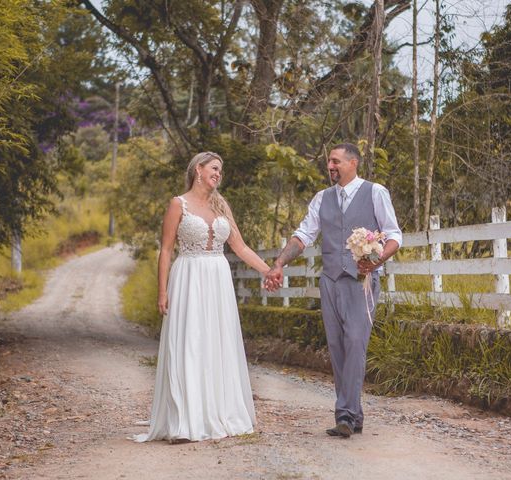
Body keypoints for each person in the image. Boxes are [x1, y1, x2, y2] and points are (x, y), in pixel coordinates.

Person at [265, 143, 402, 438]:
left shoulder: (375, 192)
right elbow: (303, 236)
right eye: (329, 161)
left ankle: (346, 415)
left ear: (353, 163)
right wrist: (279, 263)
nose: (330, 166)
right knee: (338, 346)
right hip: (330, 280)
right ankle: (353, 414)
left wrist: (376, 259)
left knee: (355, 341)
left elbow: (394, 235)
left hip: (361, 281)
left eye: (336, 161)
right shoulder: (321, 198)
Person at [133, 152, 271, 443]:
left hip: (218, 280)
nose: (218, 174)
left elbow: (241, 247)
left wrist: (268, 271)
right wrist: (162, 290)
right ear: (198, 169)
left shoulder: (221, 206)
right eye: (214, 168)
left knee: (217, 342)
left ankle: (219, 411)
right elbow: (167, 250)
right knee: (190, 343)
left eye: (221, 170)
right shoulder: (177, 204)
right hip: (189, 278)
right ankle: (185, 420)